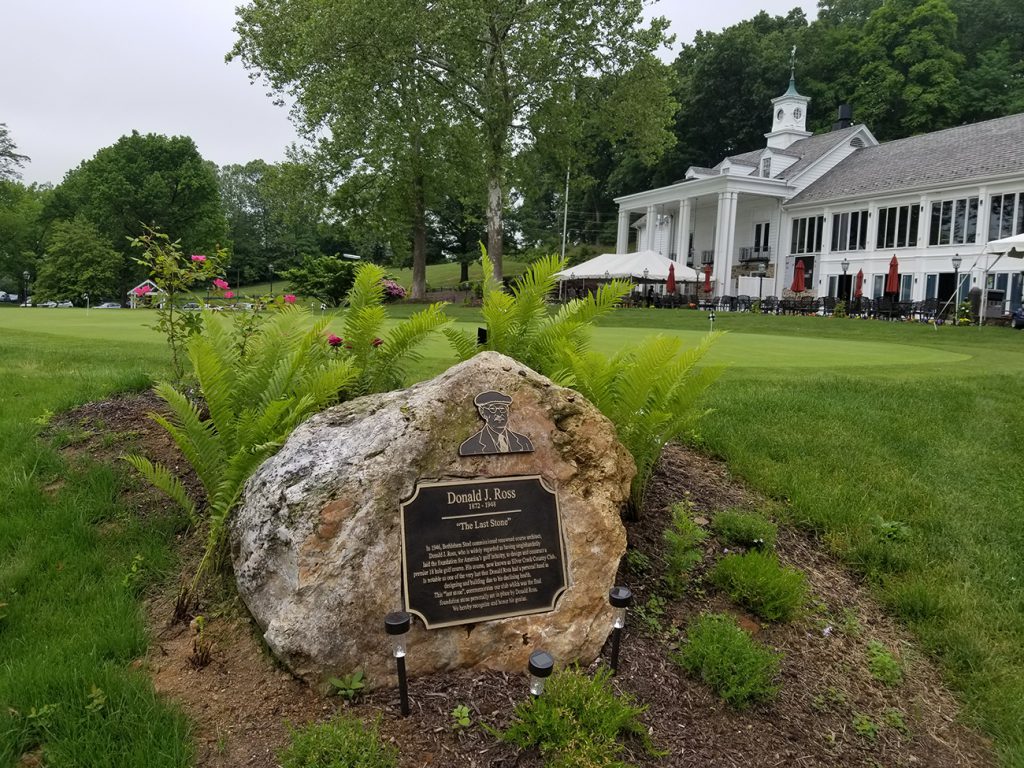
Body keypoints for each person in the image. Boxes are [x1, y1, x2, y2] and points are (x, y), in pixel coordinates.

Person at [459, 391, 534, 456]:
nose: (499, 414)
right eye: (492, 409)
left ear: (507, 411)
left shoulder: (524, 443)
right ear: (482, 412)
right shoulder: (469, 446)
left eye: (502, 409)